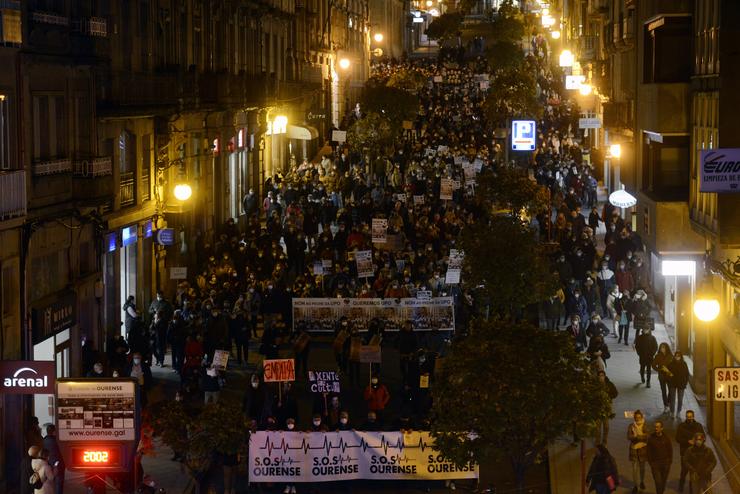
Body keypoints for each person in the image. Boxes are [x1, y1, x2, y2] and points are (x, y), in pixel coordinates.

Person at [676, 410, 705, 492]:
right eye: (687, 417)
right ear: (686, 417)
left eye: (690, 416)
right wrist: (687, 441)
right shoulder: (681, 426)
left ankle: (691, 490)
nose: (689, 418)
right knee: (684, 472)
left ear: (693, 416)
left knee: (693, 473)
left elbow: (703, 437)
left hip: (696, 454)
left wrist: (697, 442)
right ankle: (681, 487)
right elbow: (677, 438)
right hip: (685, 453)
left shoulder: (698, 426)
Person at [646, 420, 672, 494]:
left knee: (663, 482)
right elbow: (648, 451)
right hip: (655, 464)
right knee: (658, 482)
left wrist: (669, 462)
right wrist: (651, 463)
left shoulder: (666, 438)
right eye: (655, 427)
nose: (656, 428)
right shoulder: (651, 438)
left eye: (657, 427)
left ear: (662, 428)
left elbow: (670, 450)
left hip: (665, 464)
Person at [627, 410, 649, 494]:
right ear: (634, 418)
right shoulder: (631, 426)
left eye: (639, 417)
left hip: (643, 450)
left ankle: (642, 481)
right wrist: (638, 437)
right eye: (636, 418)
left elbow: (648, 436)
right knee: (634, 469)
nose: (637, 419)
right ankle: (635, 485)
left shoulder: (645, 425)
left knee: (642, 468)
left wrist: (637, 437)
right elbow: (629, 436)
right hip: (633, 450)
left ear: (642, 417)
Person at [668, 351, 690, 419]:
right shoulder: (671, 364)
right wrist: (670, 379)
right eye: (676, 356)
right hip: (672, 383)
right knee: (672, 399)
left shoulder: (684, 364)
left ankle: (678, 412)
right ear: (674, 356)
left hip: (681, 384)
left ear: (681, 357)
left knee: (680, 399)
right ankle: (672, 412)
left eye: (679, 356)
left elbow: (687, 374)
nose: (677, 357)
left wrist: (685, 382)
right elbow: (667, 373)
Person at [652, 343, 673, 414]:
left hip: (669, 376)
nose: (662, 349)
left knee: (670, 390)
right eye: (661, 348)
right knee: (663, 391)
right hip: (662, 376)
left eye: (663, 347)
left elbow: (674, 366)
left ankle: (669, 402)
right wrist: (659, 370)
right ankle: (666, 406)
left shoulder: (670, 356)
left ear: (666, 348)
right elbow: (653, 365)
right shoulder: (658, 356)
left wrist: (671, 372)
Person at [42, 424, 64, 494]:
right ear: (54, 431)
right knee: (58, 484)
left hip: (48, 464)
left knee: (49, 484)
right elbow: (58, 455)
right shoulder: (57, 441)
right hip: (57, 465)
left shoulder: (44, 441)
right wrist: (57, 464)